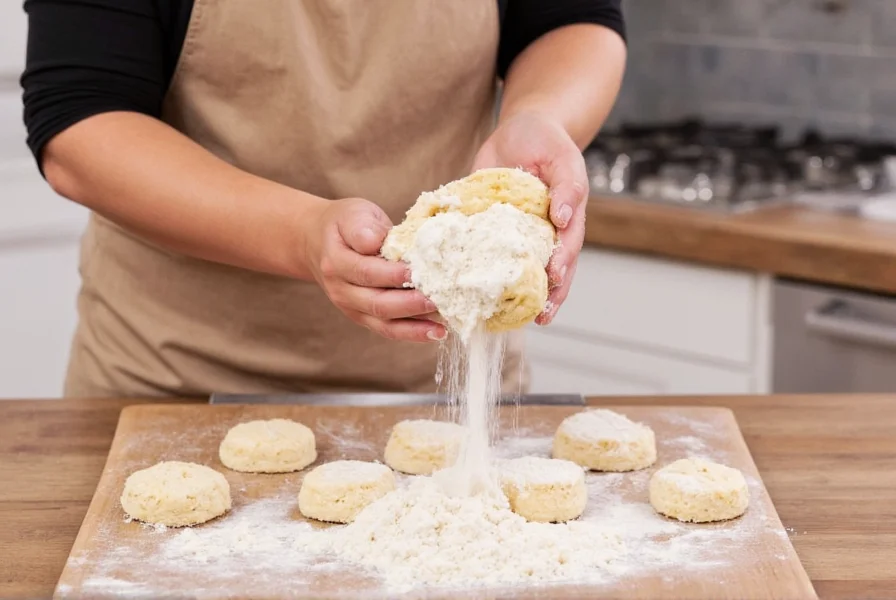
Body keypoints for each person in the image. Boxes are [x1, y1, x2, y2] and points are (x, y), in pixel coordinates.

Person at [20, 0, 626, 398]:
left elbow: (571, 19)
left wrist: (541, 114)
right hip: (176, 383)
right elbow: (83, 122)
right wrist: (300, 233)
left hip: (450, 383)